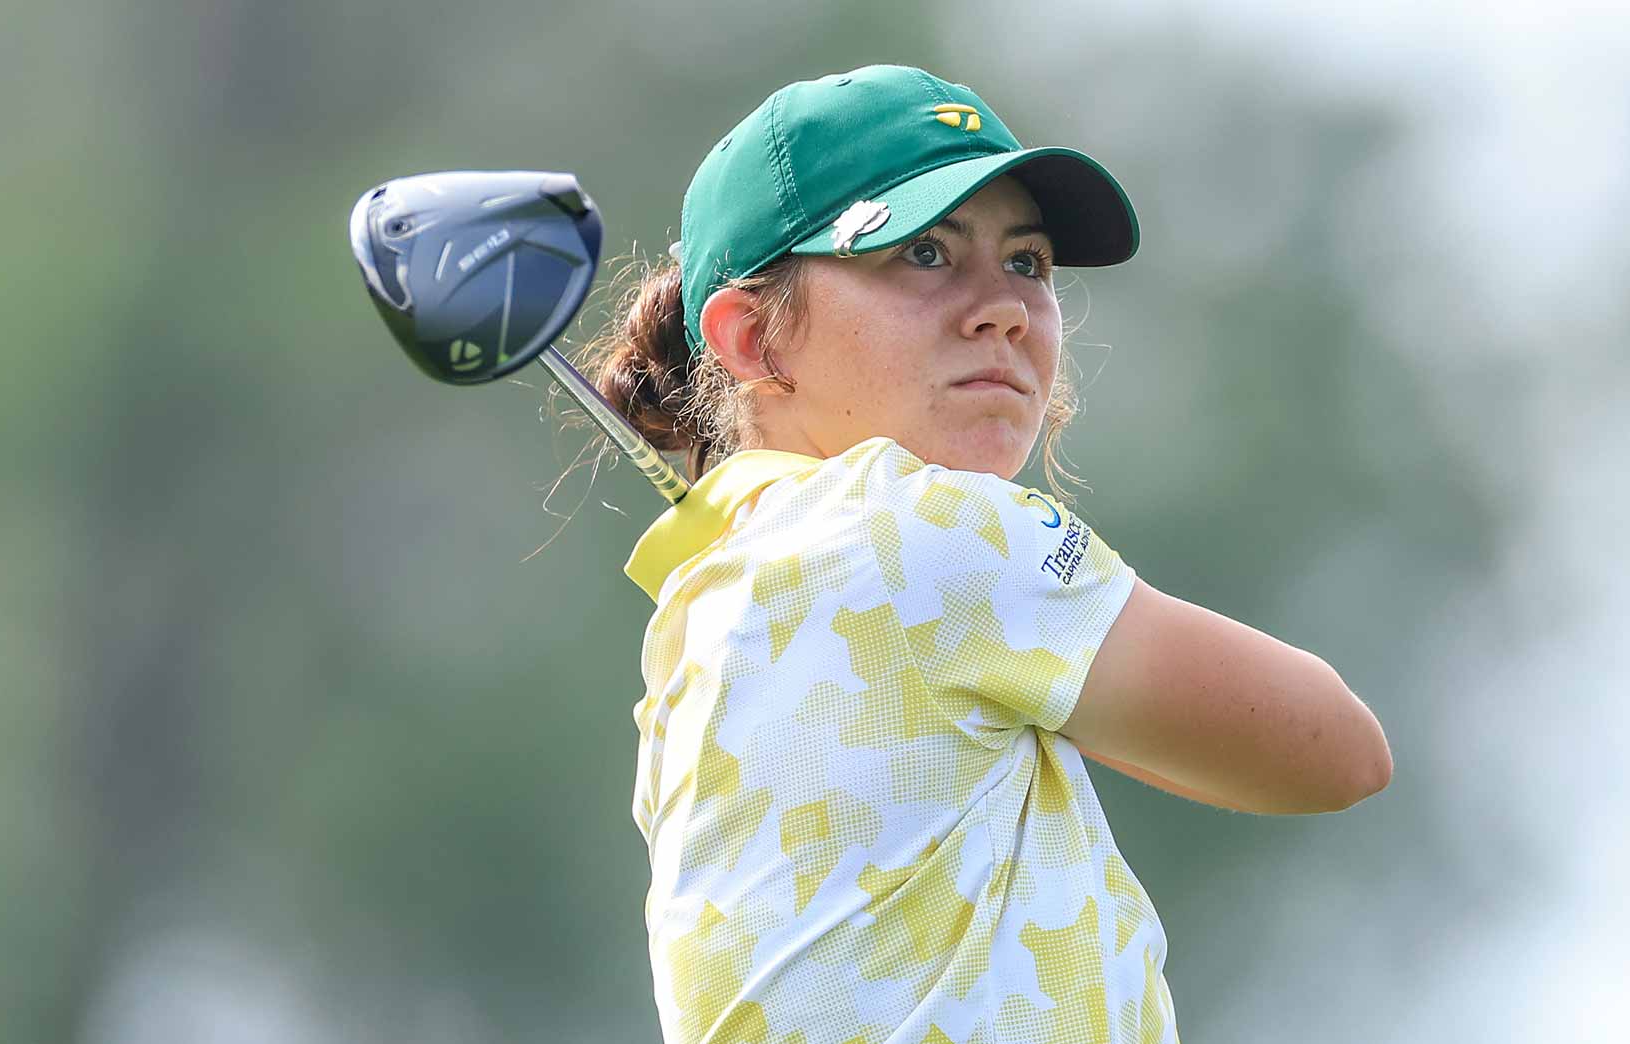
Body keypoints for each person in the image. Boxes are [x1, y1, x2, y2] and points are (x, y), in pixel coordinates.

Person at [574, 64, 1392, 1044]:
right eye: (922, 252)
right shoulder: (919, 532)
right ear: (751, 338)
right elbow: (1334, 751)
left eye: (1027, 264)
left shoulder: (706, 606)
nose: (1002, 307)